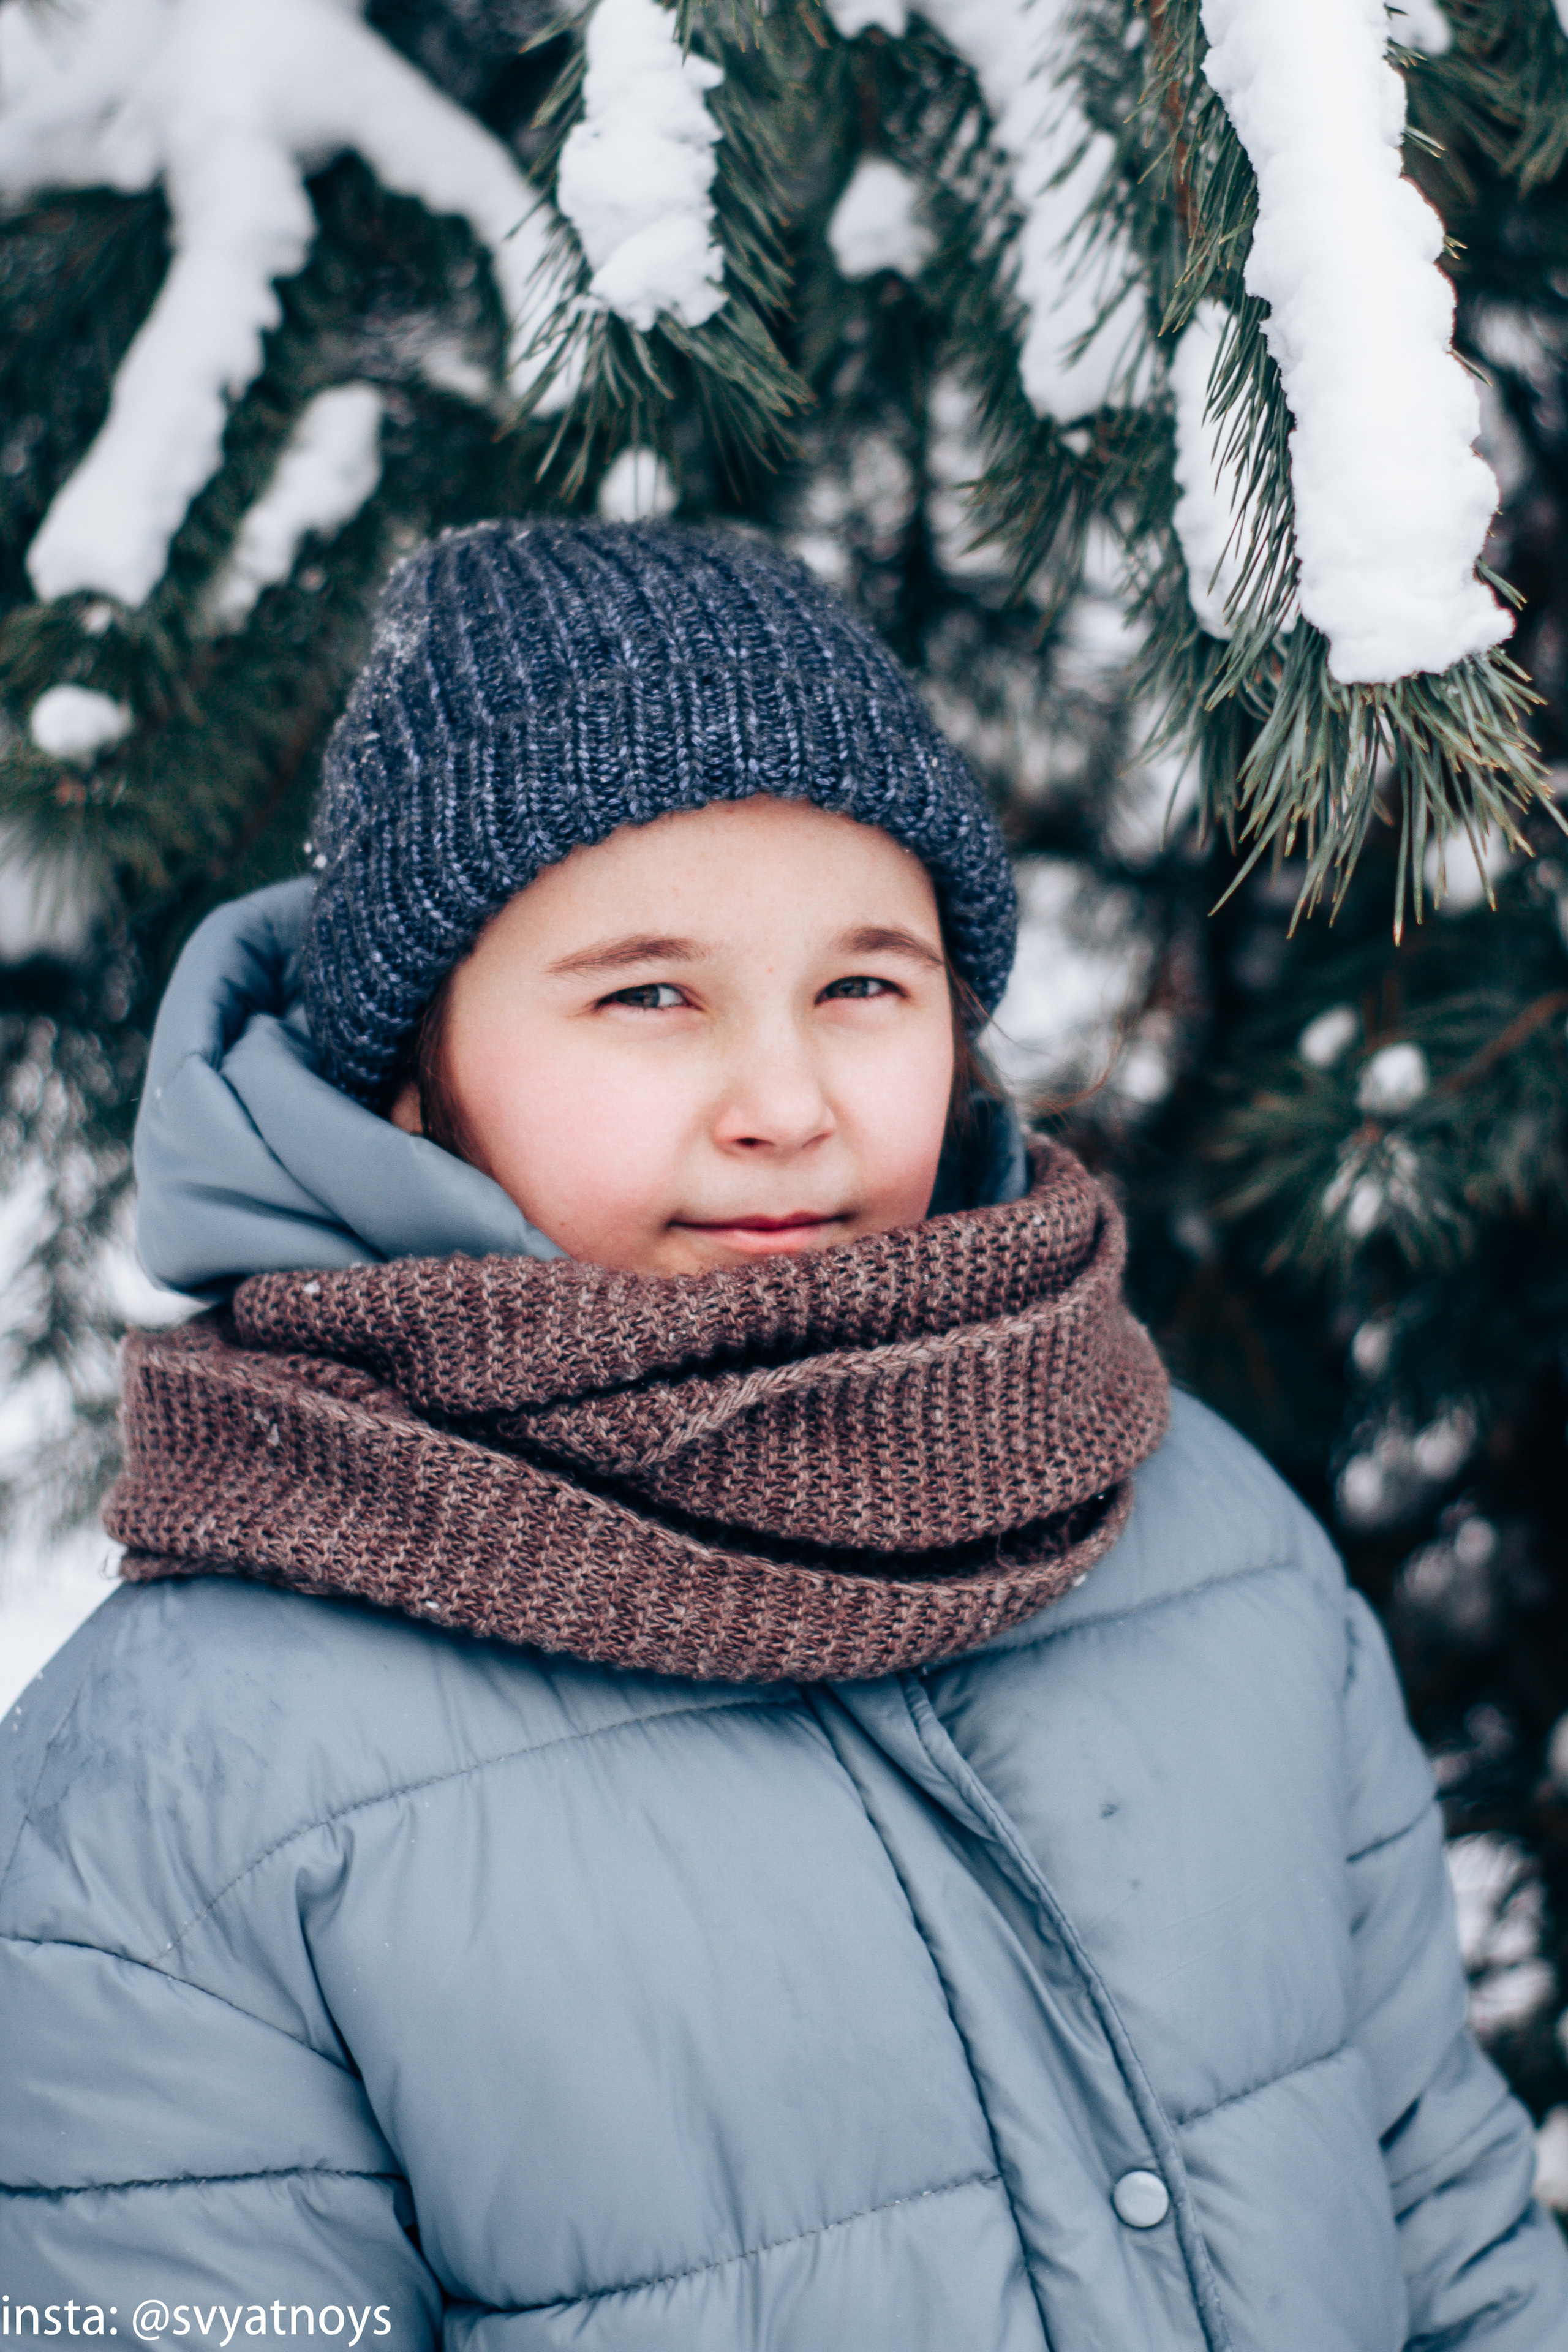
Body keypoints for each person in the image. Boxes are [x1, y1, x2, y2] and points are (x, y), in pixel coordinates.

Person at [1, 520, 1564, 2352]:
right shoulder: (178, 1788)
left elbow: (1458, 2247)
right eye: (647, 994)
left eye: (863, 986)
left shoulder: (1199, 1534)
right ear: (416, 1067)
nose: (786, 1103)